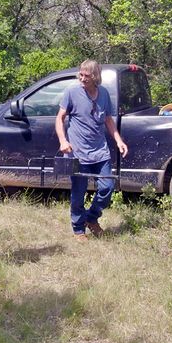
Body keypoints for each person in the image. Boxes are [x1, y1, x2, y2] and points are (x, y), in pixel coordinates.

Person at [55, 59, 128, 241]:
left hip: (100, 151)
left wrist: (119, 140)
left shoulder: (103, 93)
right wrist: (63, 141)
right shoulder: (72, 92)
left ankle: (91, 218)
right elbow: (59, 118)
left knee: (107, 187)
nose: (82, 78)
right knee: (78, 193)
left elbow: (108, 120)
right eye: (80, 74)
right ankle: (78, 228)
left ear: (95, 77)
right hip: (77, 153)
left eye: (86, 75)